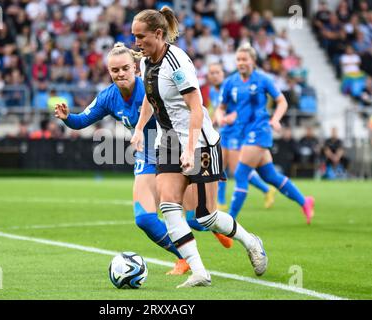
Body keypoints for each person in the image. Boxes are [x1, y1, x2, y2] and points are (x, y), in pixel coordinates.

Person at [55, 42, 229, 276]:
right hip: (147, 156)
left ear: (135, 68)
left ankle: (218, 226)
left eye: (125, 68)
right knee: (144, 219)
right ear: (109, 72)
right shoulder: (108, 97)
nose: (120, 74)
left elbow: (187, 108)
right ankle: (184, 258)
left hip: (173, 149)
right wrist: (67, 118)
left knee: (196, 217)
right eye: (115, 70)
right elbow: (82, 120)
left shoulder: (151, 87)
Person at [131, 7, 268, 288]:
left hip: (200, 142)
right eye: (134, 36)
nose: (136, 42)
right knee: (169, 207)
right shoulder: (145, 62)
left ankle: (251, 241)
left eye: (141, 36)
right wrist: (138, 128)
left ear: (158, 34)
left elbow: (196, 108)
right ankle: (199, 272)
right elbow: (150, 97)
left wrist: (189, 147)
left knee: (205, 216)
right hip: (167, 142)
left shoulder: (177, 62)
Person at [221, 43, 315, 224]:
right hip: (242, 132)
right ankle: (305, 201)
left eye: (244, 59)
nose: (241, 62)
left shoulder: (263, 79)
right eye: (238, 59)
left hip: (259, 131)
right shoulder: (231, 82)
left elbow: (282, 101)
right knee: (269, 176)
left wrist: (276, 119)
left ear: (253, 61)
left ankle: (229, 222)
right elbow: (222, 107)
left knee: (240, 174)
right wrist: (222, 117)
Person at [208, 62, 276, 212]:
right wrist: (213, 121)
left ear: (222, 73)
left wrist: (232, 116)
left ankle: (266, 189)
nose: (214, 76)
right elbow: (218, 110)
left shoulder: (231, 85)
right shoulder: (212, 92)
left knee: (235, 168)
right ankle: (220, 201)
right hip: (224, 132)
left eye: (217, 72)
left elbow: (243, 107)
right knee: (219, 166)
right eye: (211, 73)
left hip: (237, 132)